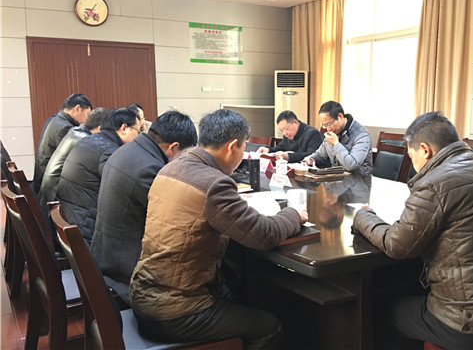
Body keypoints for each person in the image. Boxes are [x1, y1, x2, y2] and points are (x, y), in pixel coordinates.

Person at [129, 109, 308, 349]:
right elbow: (264, 234)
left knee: (241, 294)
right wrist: (294, 214)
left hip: (144, 293)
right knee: (270, 326)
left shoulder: (169, 169)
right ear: (232, 146)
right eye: (244, 148)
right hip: (175, 310)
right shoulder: (214, 183)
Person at [352, 111, 473, 350]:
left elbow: (397, 245)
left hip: (470, 324)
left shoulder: (435, 182)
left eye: (411, 156)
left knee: (376, 308)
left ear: (425, 150)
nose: (413, 165)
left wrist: (363, 216)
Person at [91, 110, 198, 305]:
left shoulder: (128, 150)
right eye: (183, 154)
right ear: (173, 147)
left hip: (106, 252)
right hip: (124, 268)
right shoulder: (149, 169)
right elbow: (172, 219)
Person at [56, 108, 141, 245]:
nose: (138, 137)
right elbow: (122, 190)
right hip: (86, 228)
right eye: (138, 131)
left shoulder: (90, 140)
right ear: (124, 128)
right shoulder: (109, 151)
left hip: (72, 217)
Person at [38, 107, 111, 218]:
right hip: (56, 201)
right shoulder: (86, 141)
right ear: (100, 128)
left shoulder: (76, 132)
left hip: (50, 194)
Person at [33, 93, 93, 193]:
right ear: (77, 108)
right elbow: (73, 163)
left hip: (43, 182)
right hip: (50, 189)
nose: (86, 121)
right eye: (87, 115)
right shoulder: (65, 128)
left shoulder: (55, 120)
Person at [304, 101, 372, 174]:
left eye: (329, 124)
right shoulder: (332, 132)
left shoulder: (362, 135)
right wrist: (311, 159)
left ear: (340, 117)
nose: (327, 128)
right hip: (336, 177)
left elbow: (351, 166)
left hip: (358, 178)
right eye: (324, 125)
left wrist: (336, 144)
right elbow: (320, 155)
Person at [256, 110, 322, 162]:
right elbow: (280, 147)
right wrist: (268, 149)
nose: (284, 133)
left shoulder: (312, 133)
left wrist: (289, 157)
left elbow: (313, 155)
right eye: (281, 130)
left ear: (295, 122)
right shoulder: (287, 134)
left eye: (286, 128)